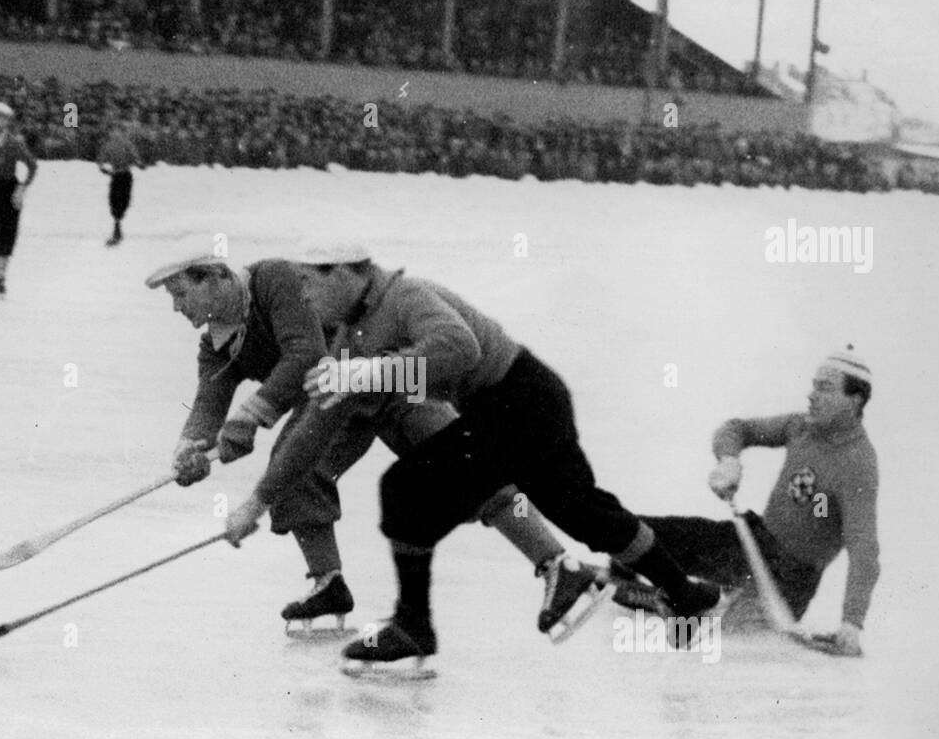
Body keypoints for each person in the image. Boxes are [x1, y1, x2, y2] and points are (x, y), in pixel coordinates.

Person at [222, 253, 722, 668]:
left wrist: (374, 371)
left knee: (408, 489)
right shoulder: (350, 338)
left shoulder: (405, 295)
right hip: (512, 404)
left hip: (520, 395)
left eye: (310, 282)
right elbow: (317, 430)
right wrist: (258, 501)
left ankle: (415, 626)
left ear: (346, 272)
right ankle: (687, 595)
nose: (305, 296)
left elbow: (460, 347)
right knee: (582, 510)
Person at [148, 247, 601, 636]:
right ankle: (329, 583)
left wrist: (252, 415)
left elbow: (305, 352)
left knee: (466, 467)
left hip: (386, 381)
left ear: (218, 277)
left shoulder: (273, 279)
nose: (176, 307)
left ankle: (558, 564)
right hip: (337, 401)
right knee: (296, 469)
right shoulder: (218, 344)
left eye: (180, 293)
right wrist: (192, 446)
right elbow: (210, 400)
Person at [621, 347, 879, 657]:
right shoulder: (801, 427)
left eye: (824, 388)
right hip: (752, 542)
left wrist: (852, 623)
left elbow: (865, 552)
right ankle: (628, 576)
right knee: (636, 530)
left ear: (855, 400)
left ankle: (679, 596)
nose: (811, 395)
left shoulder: (858, 464)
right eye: (813, 385)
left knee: (719, 631)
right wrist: (729, 461)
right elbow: (736, 429)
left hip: (786, 583)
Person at [0, 100, 37, 300]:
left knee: (6, 235)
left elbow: (32, 165)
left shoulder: (14, 143)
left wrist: (21, 188)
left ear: (4, 121)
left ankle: (1, 278)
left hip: (10, 190)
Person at [98, 122, 143, 246]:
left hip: (125, 174)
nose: (115, 134)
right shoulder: (107, 145)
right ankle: (117, 224)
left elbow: (135, 156)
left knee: (124, 199)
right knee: (115, 200)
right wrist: (103, 168)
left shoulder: (127, 144)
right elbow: (101, 159)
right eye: (113, 131)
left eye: (118, 131)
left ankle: (118, 222)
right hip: (116, 175)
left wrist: (139, 163)